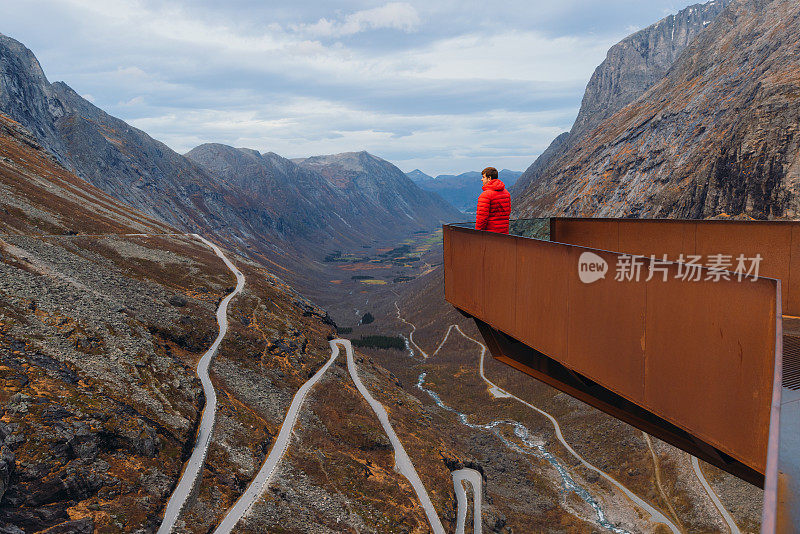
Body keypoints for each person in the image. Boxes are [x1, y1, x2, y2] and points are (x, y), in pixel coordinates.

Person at [475, 167, 510, 234]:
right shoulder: (506, 193)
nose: (481, 179)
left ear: (489, 178)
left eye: (483, 177)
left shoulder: (486, 195)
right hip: (504, 233)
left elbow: (482, 218)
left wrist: (477, 233)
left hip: (490, 234)